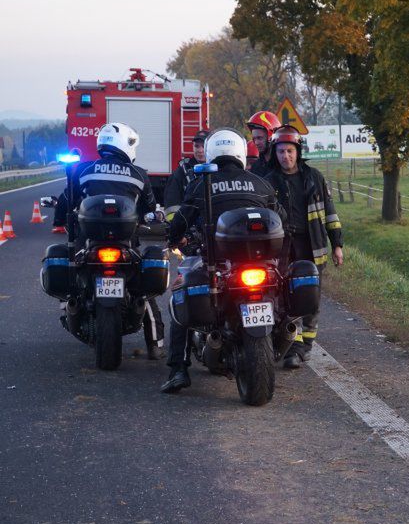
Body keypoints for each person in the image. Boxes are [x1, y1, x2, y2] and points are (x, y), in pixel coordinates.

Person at [161, 128, 284, 393]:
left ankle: (178, 369)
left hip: (217, 264)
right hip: (259, 263)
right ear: (240, 153)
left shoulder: (201, 183)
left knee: (179, 297)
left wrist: (173, 240)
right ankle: (285, 335)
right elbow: (281, 218)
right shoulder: (259, 183)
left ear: (211, 153)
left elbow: (181, 220)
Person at [52, 122, 166, 359]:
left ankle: (71, 304)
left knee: (73, 278)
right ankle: (155, 344)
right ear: (126, 145)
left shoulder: (83, 169)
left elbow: (66, 200)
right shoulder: (139, 174)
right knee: (143, 291)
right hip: (126, 243)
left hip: (89, 242)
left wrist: (58, 220)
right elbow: (150, 209)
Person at [265, 125, 344, 369]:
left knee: (309, 297)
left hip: (311, 245)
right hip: (282, 247)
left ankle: (304, 346)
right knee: (283, 295)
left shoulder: (314, 178)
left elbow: (330, 214)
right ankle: (292, 343)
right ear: (274, 153)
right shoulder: (269, 182)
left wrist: (337, 245)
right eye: (280, 152)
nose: (285, 156)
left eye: (289, 151)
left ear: (298, 152)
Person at [163, 129, 208, 221]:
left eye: (204, 146)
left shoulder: (220, 170)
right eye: (196, 146)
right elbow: (172, 207)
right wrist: (179, 229)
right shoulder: (181, 173)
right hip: (190, 228)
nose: (200, 150)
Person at [245, 110, 282, 177]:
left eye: (259, 138)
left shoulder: (284, 165)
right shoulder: (255, 168)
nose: (256, 143)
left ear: (272, 136)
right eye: (254, 139)